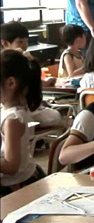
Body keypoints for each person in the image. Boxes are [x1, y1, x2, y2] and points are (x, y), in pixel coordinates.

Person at [0, 49, 46, 197]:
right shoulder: (17, 110)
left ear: (11, 83)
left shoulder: (13, 120)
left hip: (15, 187)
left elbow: (11, 166)